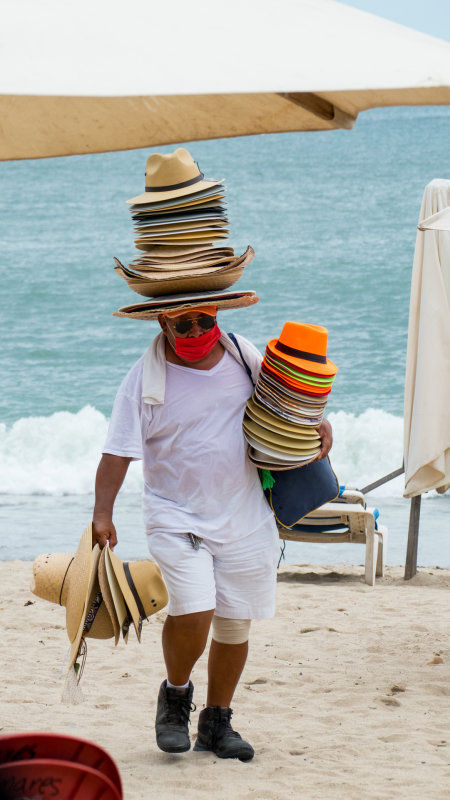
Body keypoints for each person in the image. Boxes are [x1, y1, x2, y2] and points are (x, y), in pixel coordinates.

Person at [92, 304, 332, 761]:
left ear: (218, 314)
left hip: (243, 513)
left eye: (206, 319)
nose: (198, 330)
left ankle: (217, 722)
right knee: (194, 607)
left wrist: (317, 424)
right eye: (185, 323)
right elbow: (117, 452)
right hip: (174, 514)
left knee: (235, 621)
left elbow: (286, 402)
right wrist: (102, 514)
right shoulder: (143, 380)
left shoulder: (242, 354)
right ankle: (175, 698)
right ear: (164, 324)